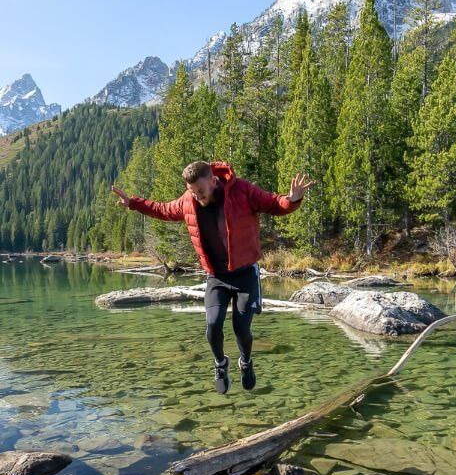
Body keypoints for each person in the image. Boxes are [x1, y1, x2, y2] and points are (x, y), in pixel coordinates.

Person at [112, 160, 314, 394]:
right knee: (212, 325)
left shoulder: (242, 191)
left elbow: (272, 203)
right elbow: (163, 210)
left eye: (200, 191)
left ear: (213, 180)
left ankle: (246, 362)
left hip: (245, 274)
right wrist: (133, 203)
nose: (197, 197)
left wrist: (291, 200)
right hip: (216, 276)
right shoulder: (188, 201)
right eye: (192, 192)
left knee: (242, 329)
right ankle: (220, 363)